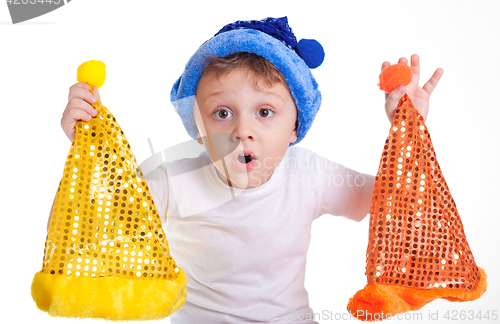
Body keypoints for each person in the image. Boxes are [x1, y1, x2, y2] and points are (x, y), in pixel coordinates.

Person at [57, 17, 443, 323]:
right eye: (222, 113)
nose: (243, 130)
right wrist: (89, 146)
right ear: (198, 130)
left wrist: (407, 127)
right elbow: (95, 222)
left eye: (264, 112)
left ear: (296, 126)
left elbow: (396, 201)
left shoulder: (309, 174)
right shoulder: (172, 181)